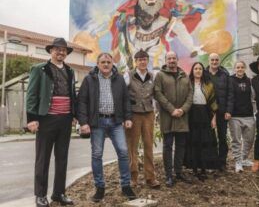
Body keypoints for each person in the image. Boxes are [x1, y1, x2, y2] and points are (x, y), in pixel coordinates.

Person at [110, 0, 205, 70]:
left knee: (162, 71)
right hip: (135, 46)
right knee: (129, 71)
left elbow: (181, 25)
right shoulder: (131, 14)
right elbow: (122, 36)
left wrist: (191, 47)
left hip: (156, 46)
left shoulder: (167, 14)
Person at [77, 53, 136, 202]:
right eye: (102, 62)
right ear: (97, 64)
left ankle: (126, 186)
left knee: (123, 152)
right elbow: (82, 101)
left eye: (108, 62)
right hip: (97, 123)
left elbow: (125, 100)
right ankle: (100, 187)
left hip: (116, 122)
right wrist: (83, 122)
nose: (105, 64)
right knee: (97, 155)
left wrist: (128, 118)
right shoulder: (89, 79)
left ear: (112, 64)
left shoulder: (119, 79)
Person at [26, 37, 76, 207]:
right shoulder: (39, 69)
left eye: (63, 50)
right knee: (42, 159)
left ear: (66, 53)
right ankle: (40, 195)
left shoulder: (70, 71)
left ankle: (59, 193)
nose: (60, 52)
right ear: (51, 51)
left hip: (65, 120)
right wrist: (32, 119)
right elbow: (32, 95)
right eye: (57, 49)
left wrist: (74, 114)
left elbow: (72, 94)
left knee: (62, 158)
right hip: (46, 120)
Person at [154, 51, 193, 187]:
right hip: (168, 117)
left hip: (182, 117)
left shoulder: (185, 76)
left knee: (181, 146)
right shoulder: (160, 75)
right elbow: (158, 94)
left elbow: (190, 95)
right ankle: (169, 175)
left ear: (177, 60)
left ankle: (179, 172)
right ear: (165, 60)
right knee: (168, 146)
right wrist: (172, 109)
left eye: (173, 58)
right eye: (169, 58)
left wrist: (183, 109)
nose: (171, 60)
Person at [123, 49, 160, 188]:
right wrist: (124, 115)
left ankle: (150, 177)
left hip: (149, 114)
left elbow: (157, 94)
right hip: (133, 114)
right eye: (140, 60)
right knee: (132, 146)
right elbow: (122, 94)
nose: (142, 62)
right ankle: (133, 177)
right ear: (136, 62)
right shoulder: (128, 75)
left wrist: (157, 111)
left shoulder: (152, 76)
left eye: (145, 59)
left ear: (147, 61)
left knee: (149, 145)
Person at [183, 62, 219, 181]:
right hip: (192, 114)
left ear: (203, 71)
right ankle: (194, 168)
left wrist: (213, 118)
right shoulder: (188, 84)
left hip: (205, 114)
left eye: (200, 69)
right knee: (193, 140)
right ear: (192, 71)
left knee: (204, 140)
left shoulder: (208, 85)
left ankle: (203, 168)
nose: (198, 71)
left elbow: (213, 102)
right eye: (196, 69)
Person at [205, 53, 234, 171]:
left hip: (222, 112)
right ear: (209, 61)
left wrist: (229, 110)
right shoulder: (204, 74)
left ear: (219, 61)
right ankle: (211, 161)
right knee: (209, 138)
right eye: (212, 60)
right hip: (207, 112)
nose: (214, 62)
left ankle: (222, 162)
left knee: (222, 137)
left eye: (216, 60)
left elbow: (230, 94)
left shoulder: (225, 75)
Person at [228, 61, 255, 173]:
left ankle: (244, 158)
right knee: (236, 140)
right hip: (235, 116)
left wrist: (255, 110)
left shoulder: (249, 81)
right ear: (234, 69)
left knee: (249, 139)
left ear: (245, 68)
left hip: (248, 115)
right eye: (238, 67)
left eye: (242, 67)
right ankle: (238, 161)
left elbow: (253, 97)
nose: (240, 69)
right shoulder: (230, 80)